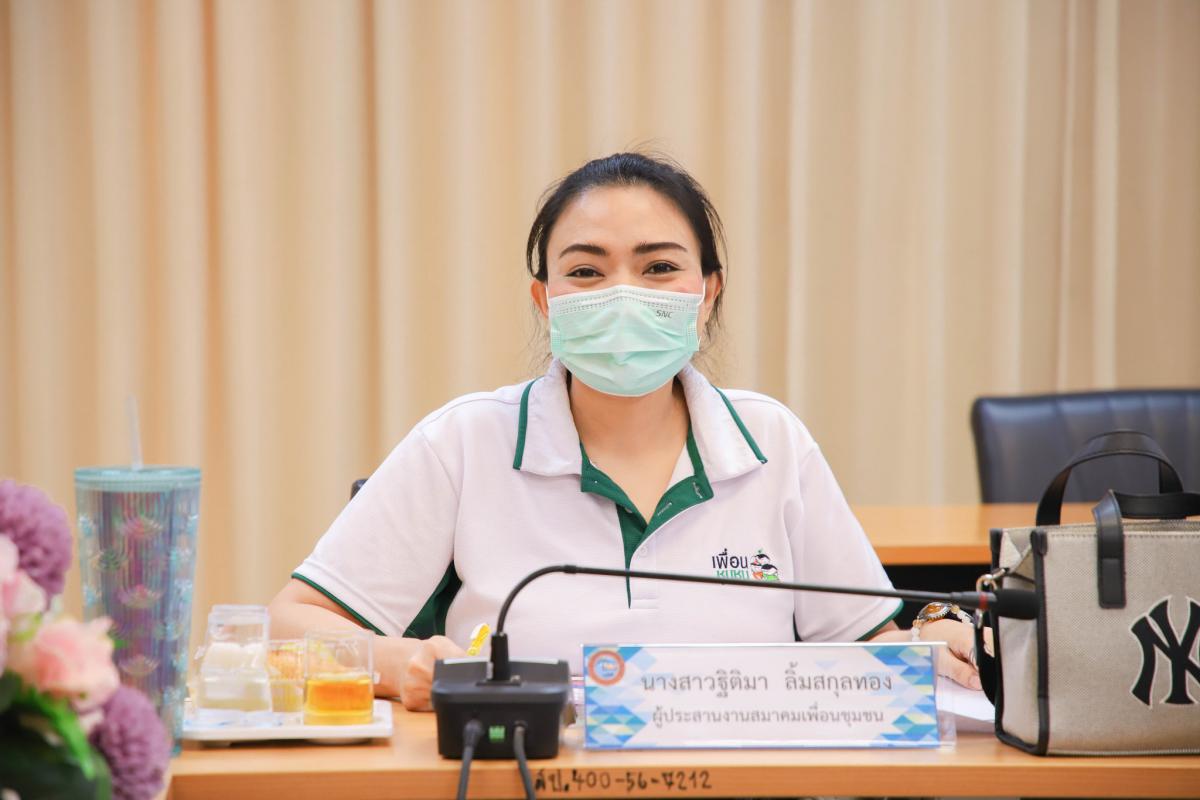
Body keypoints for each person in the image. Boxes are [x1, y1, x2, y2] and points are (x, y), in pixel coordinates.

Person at [269, 152, 982, 712]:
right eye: (586, 271)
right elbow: (291, 623)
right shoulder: (463, 441)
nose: (622, 295)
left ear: (709, 294)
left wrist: (934, 637)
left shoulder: (772, 441)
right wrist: (398, 663)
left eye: (659, 267)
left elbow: (866, 643)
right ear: (545, 301)